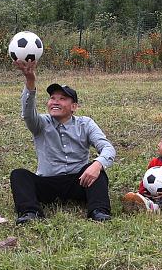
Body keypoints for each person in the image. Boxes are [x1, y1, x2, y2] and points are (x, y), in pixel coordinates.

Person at [10, 57, 116, 223]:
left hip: (79, 181)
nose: (55, 102)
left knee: (99, 172)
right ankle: (31, 213)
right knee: (19, 175)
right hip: (47, 183)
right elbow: (28, 112)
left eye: (62, 99)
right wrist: (30, 80)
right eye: (52, 98)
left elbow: (108, 148)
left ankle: (98, 212)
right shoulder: (40, 123)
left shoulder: (86, 124)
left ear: (73, 106)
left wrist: (97, 164)